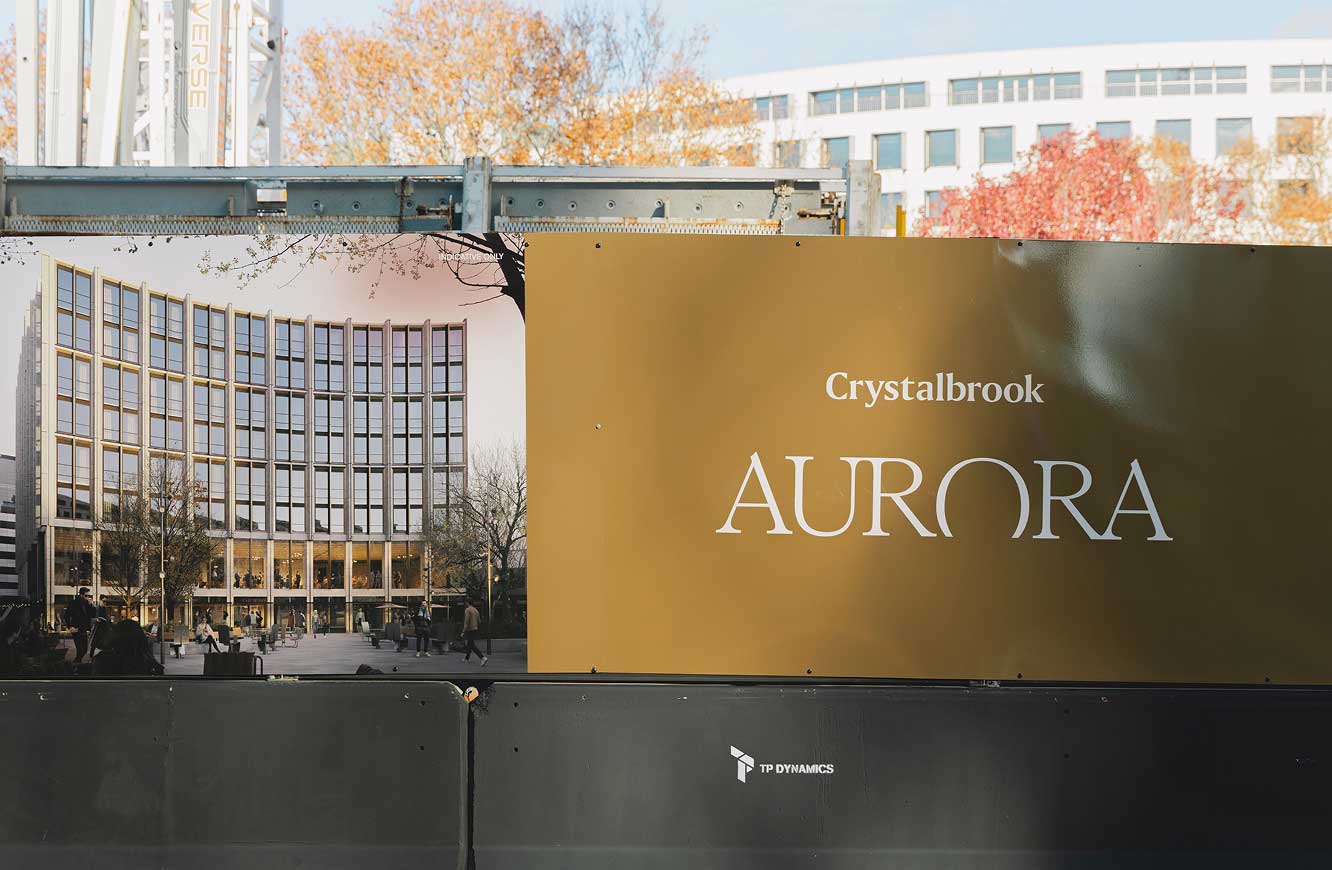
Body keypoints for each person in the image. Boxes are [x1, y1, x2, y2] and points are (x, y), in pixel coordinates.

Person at [63, 587, 96, 663]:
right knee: (80, 650)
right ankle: (76, 665)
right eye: (86, 595)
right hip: (76, 629)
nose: (87, 597)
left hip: (84, 629)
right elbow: (66, 616)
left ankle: (76, 664)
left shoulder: (87, 604)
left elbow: (93, 615)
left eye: (89, 596)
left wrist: (92, 605)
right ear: (81, 595)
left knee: (84, 650)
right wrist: (70, 626)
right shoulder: (73, 603)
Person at [462, 600, 487, 666]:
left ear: (467, 603)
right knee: (470, 644)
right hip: (475, 629)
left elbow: (466, 621)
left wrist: (463, 631)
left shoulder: (467, 610)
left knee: (471, 645)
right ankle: (466, 658)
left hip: (469, 629)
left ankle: (482, 657)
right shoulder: (476, 610)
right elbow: (479, 621)